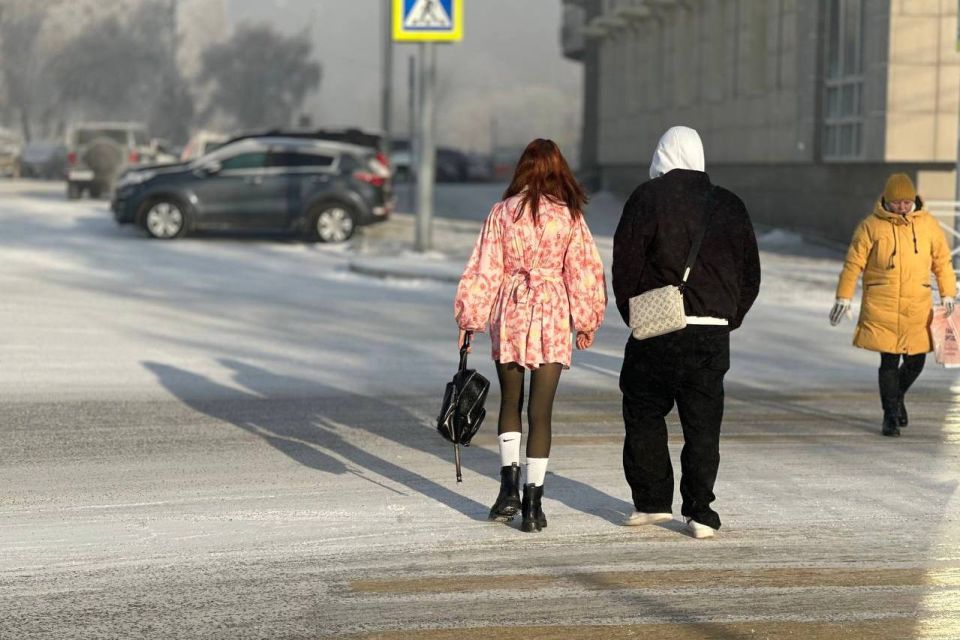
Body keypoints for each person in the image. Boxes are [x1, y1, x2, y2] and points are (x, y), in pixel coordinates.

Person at [612, 126, 761, 539]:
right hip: (712, 333)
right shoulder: (730, 205)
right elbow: (751, 274)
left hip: (658, 328)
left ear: (662, 154)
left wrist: (635, 313)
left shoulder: (646, 198)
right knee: (703, 423)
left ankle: (651, 500)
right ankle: (701, 513)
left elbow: (625, 265)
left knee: (643, 409)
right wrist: (729, 317)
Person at [454, 139, 607, 533]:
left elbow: (485, 267)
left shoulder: (502, 213)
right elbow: (585, 271)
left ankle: (507, 488)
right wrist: (587, 319)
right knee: (541, 413)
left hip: (512, 310)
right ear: (559, 171)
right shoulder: (569, 217)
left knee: (510, 401)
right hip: (553, 313)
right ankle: (534, 506)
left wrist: (470, 318)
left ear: (523, 168)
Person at [830, 173, 956, 437]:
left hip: (917, 305)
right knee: (889, 360)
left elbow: (942, 261)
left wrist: (948, 293)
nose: (902, 207)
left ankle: (897, 397)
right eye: (897, 202)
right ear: (886, 200)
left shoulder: (928, 225)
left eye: (907, 202)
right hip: (882, 304)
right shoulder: (870, 227)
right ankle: (890, 416)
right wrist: (843, 295)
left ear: (914, 201)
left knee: (917, 360)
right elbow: (854, 263)